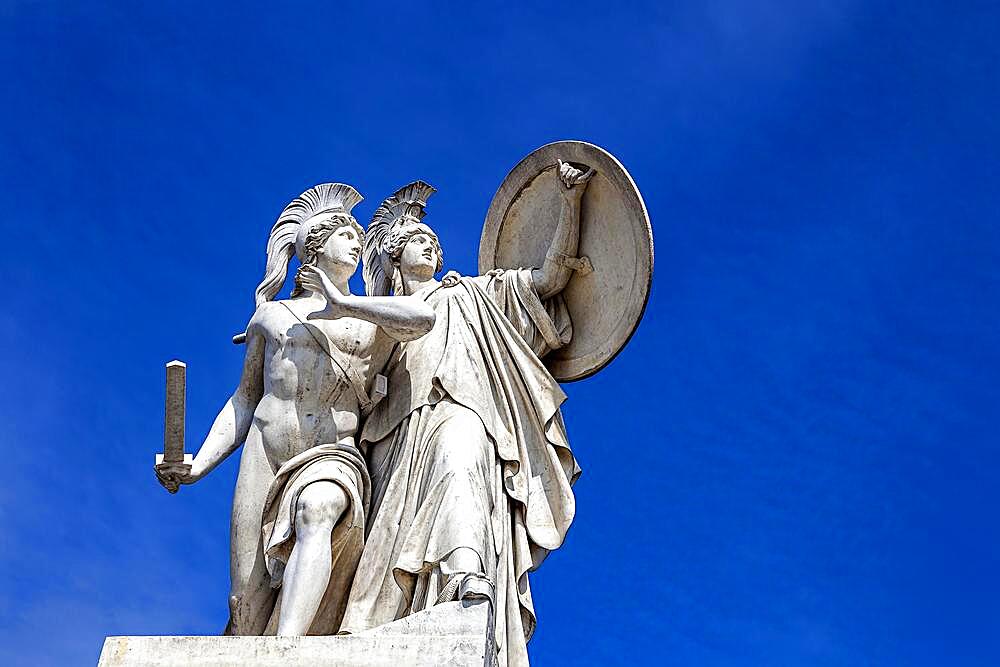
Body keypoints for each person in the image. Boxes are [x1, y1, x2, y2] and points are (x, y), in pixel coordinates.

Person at [335, 162, 591, 666]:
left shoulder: (476, 292)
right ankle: (409, 614)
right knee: (388, 543)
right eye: (418, 239)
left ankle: (466, 577)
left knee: (461, 459)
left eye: (434, 238)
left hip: (465, 411)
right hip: (397, 440)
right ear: (394, 254)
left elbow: (551, 275)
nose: (432, 245)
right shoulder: (377, 320)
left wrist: (569, 199)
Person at [155, 183, 435, 635]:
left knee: (318, 509)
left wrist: (344, 303)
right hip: (265, 451)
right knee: (245, 601)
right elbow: (245, 400)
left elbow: (424, 319)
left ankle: (288, 652)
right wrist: (198, 466)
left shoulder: (372, 315)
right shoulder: (271, 317)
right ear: (316, 249)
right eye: (346, 234)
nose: (357, 241)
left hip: (333, 454)